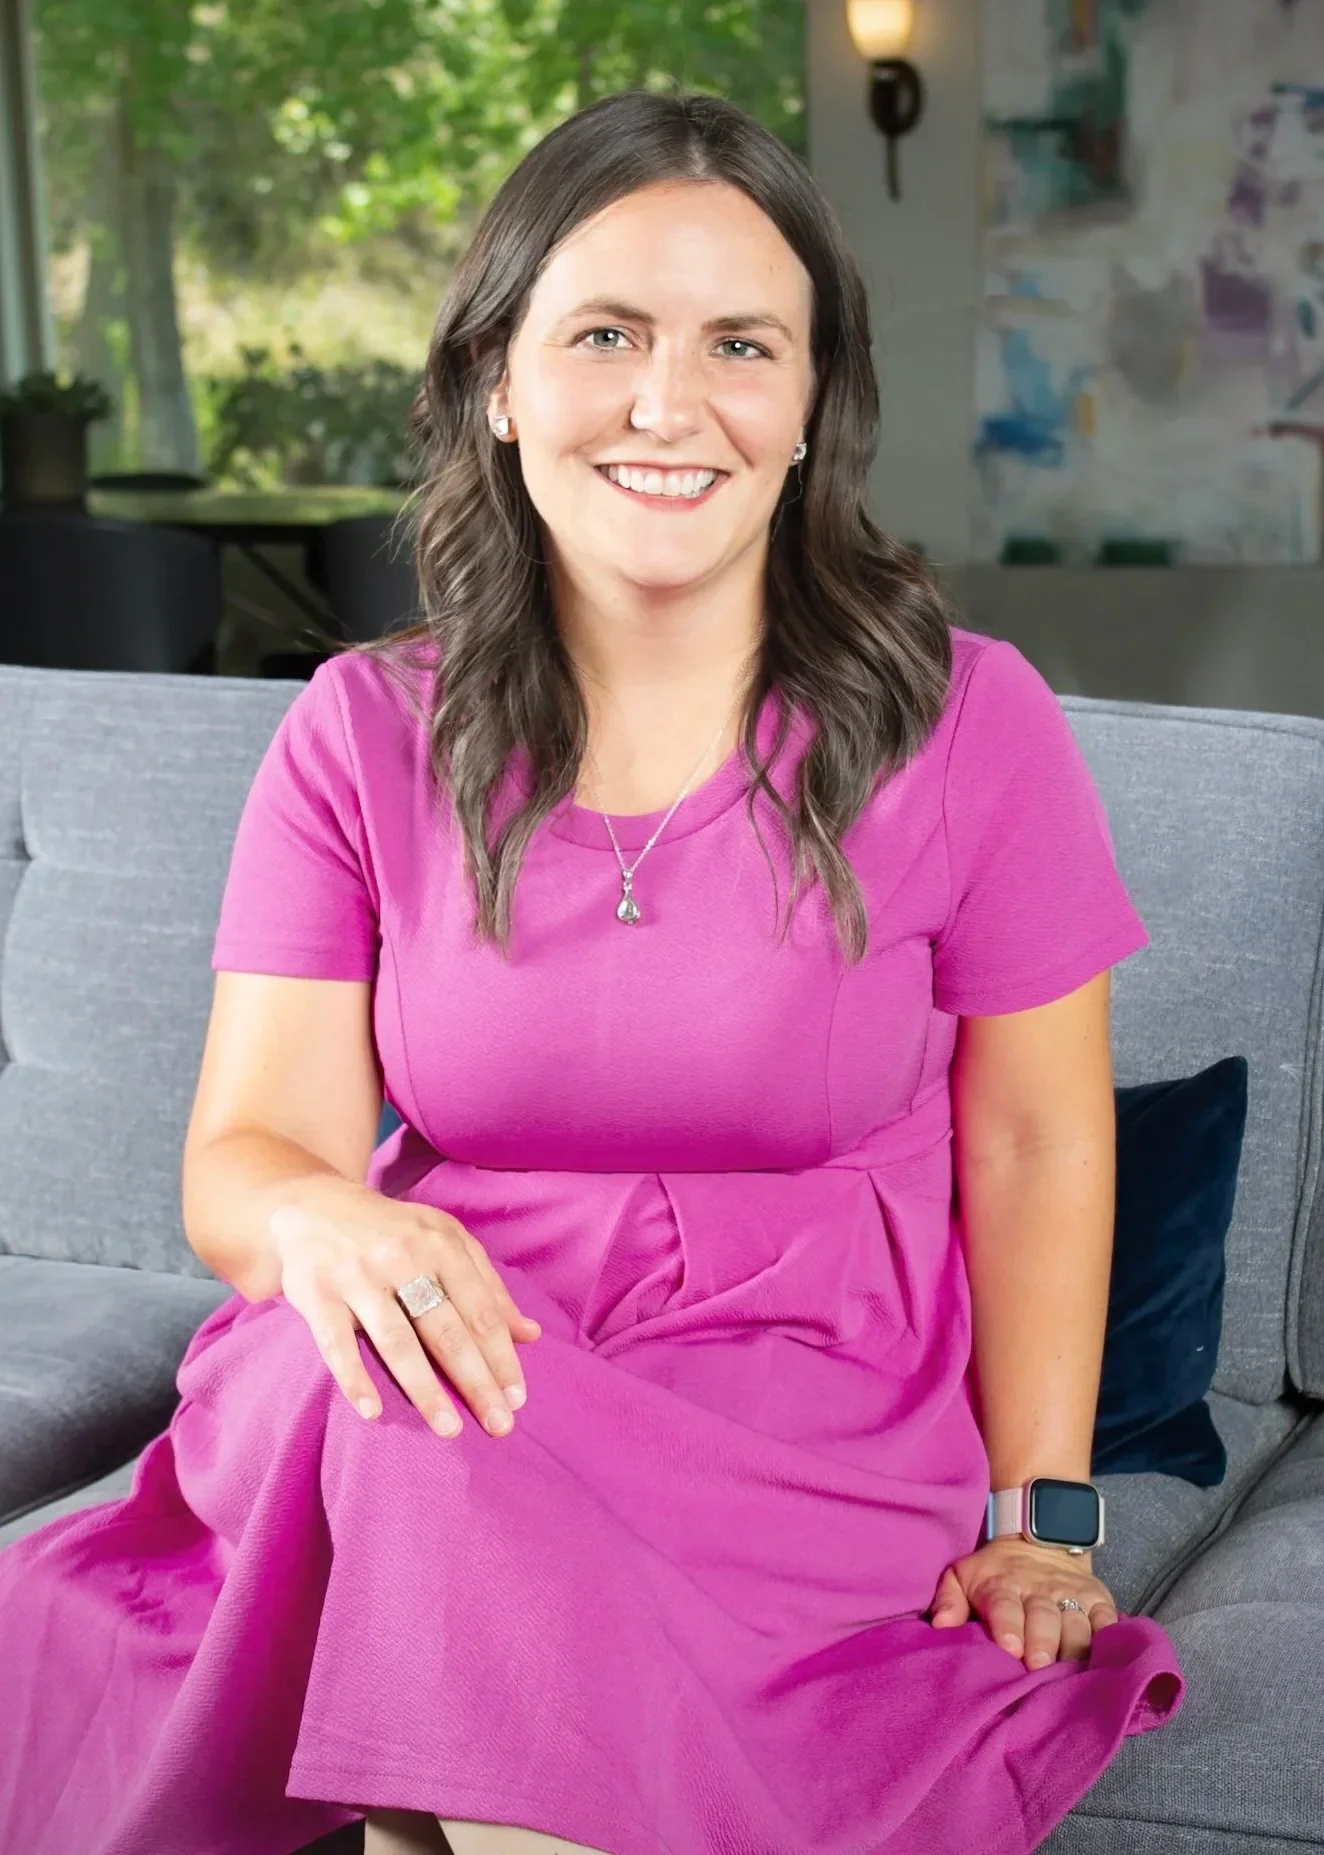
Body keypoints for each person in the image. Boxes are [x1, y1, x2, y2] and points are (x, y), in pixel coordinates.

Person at [0, 87, 1183, 1855]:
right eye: (606, 331)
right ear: (498, 378)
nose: (667, 401)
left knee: (415, 1456)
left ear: (809, 408)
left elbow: (1031, 1145)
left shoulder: (969, 723)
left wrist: (1050, 1517)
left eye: (742, 344)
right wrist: (329, 1222)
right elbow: (249, 1162)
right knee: (403, 1414)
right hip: (438, 1349)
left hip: (801, 1415)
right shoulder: (358, 734)